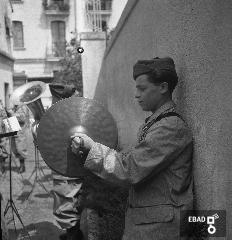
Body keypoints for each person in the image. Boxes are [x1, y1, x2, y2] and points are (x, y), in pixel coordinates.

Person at [71, 57, 194, 240]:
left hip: (162, 230)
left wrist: (92, 149)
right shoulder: (156, 123)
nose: (136, 94)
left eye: (142, 88)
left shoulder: (169, 127)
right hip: (151, 224)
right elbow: (132, 160)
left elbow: (130, 168)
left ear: (163, 87)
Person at [49, 83, 83, 240]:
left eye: (54, 99)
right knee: (65, 197)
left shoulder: (70, 114)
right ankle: (72, 231)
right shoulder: (64, 112)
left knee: (68, 197)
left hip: (69, 165)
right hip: (62, 164)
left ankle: (74, 234)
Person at [8, 104, 28, 173]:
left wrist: (13, 115)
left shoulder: (23, 107)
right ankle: (21, 165)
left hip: (20, 131)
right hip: (13, 130)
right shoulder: (13, 108)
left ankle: (22, 166)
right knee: (14, 149)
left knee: (20, 149)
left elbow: (23, 119)